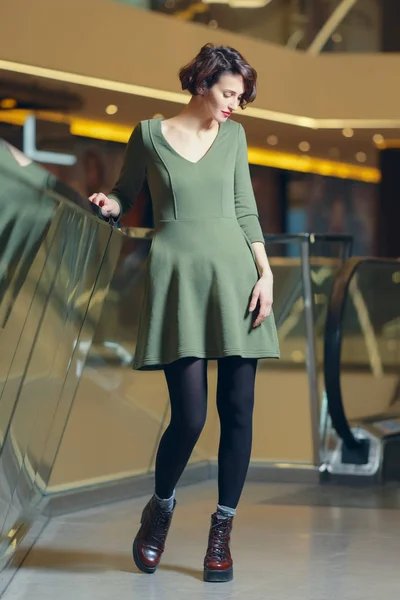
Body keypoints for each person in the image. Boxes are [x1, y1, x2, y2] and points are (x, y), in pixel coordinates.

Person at [89, 43, 280, 583]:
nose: (234, 107)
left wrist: (265, 274)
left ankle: (222, 531)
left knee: (238, 410)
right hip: (178, 282)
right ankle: (161, 509)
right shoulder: (149, 134)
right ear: (201, 83)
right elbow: (127, 193)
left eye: (241, 99)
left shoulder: (235, 137)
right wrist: (111, 205)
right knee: (191, 417)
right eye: (228, 95)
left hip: (238, 280)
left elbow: (245, 207)